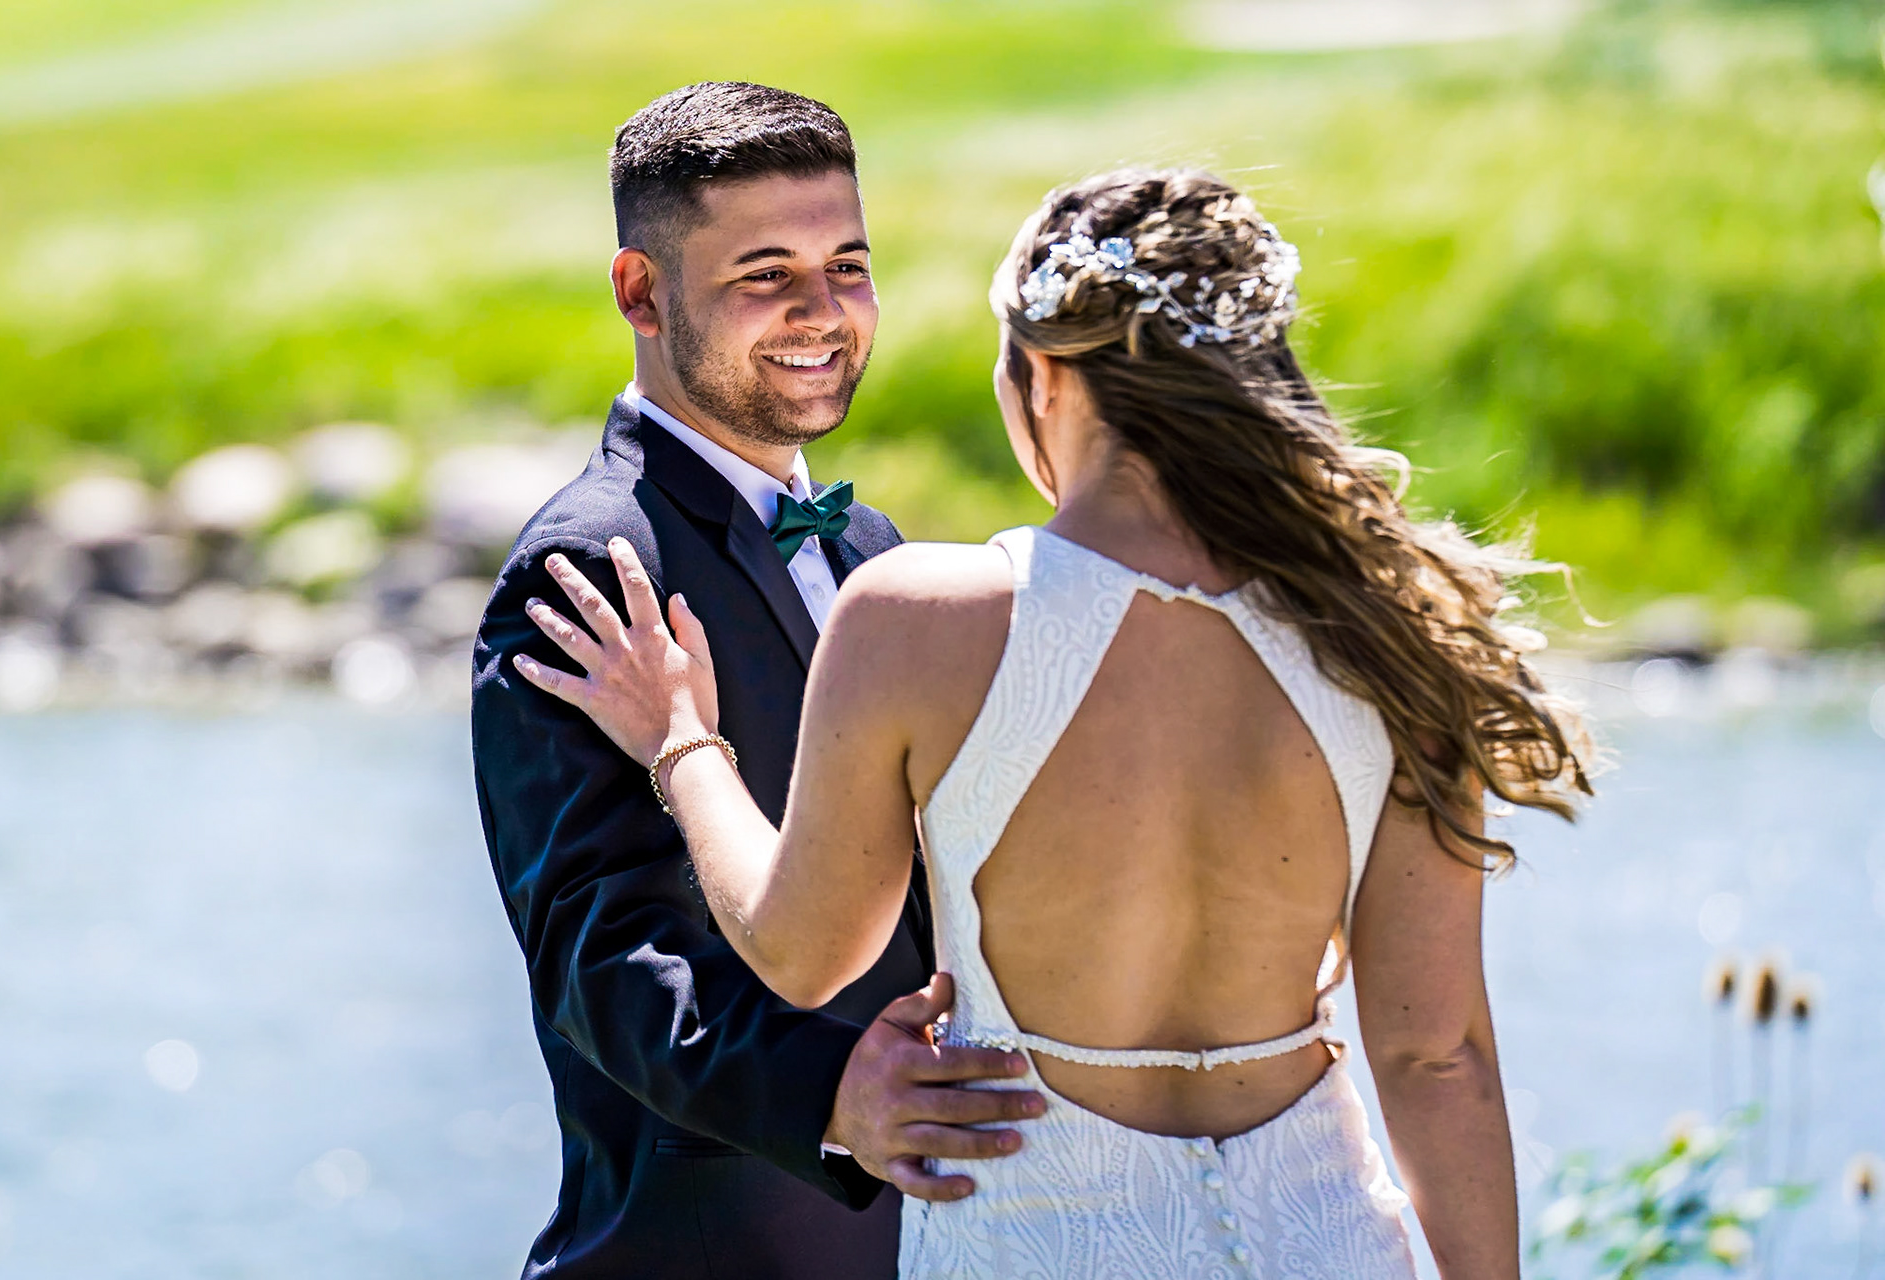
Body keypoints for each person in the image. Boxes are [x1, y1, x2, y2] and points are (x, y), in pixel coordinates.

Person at [515, 169, 1597, 1278]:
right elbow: (1437, 1055)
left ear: (1037, 374)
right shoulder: (1395, 633)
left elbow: (799, 955)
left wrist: (684, 742)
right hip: (1322, 1241)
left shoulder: (917, 616)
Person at [469, 82, 1041, 1280]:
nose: (821, 313)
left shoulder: (865, 543)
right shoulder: (587, 565)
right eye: (765, 274)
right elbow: (600, 953)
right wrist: (838, 1096)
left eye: (847, 265)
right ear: (641, 291)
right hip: (707, 1246)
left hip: (939, 1234)